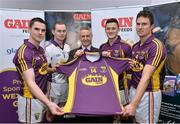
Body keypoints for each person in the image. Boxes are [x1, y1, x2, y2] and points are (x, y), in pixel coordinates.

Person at [13, 17, 64, 123]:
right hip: (30, 99)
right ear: (29, 29)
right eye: (36, 29)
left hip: (41, 96)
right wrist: (49, 103)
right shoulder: (24, 52)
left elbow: (41, 70)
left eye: (43, 30)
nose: (40, 32)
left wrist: (53, 69)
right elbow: (30, 83)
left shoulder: (40, 49)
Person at [123, 10, 167, 123]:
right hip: (135, 91)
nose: (140, 27)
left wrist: (133, 104)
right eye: (138, 24)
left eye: (144, 24)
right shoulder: (135, 46)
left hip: (149, 93)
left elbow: (146, 77)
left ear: (151, 26)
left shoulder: (156, 46)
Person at [100, 18, 132, 123]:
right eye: (108, 29)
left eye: (113, 28)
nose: (110, 31)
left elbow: (130, 67)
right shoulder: (102, 47)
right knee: (109, 117)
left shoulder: (126, 47)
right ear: (105, 30)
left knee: (124, 116)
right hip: (107, 88)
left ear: (118, 29)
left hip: (122, 88)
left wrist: (113, 58)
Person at [44, 22, 71, 121]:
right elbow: (43, 69)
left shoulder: (68, 47)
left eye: (64, 31)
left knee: (63, 113)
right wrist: (53, 69)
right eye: (59, 31)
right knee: (51, 113)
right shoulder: (48, 48)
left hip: (66, 85)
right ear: (53, 32)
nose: (62, 33)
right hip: (54, 86)